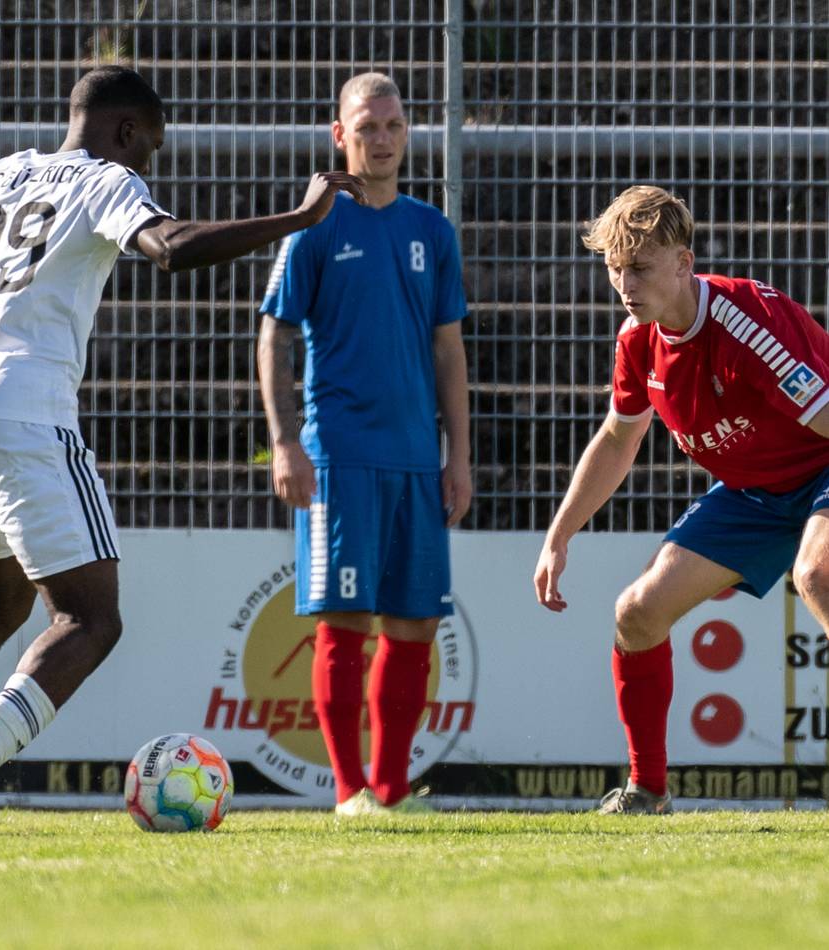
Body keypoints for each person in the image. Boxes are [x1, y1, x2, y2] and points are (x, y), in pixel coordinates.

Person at [0, 65, 366, 834]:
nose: (150, 168)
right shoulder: (106, 180)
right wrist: (299, 217)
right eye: (153, 150)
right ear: (127, 132)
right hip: (24, 411)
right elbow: (170, 247)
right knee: (91, 619)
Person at [534, 185, 829, 814]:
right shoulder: (638, 341)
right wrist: (560, 535)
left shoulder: (747, 323)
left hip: (823, 466)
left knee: (817, 575)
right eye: (615, 269)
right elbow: (617, 440)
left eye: (638, 267)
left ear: (683, 263)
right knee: (636, 614)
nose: (624, 284)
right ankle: (647, 792)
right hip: (754, 495)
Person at [257, 73, 471, 816]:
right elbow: (274, 335)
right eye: (367, 126)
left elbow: (449, 350)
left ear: (407, 133)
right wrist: (286, 443)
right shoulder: (315, 226)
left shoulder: (431, 230)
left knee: (416, 623)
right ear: (338, 134)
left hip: (417, 457)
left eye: (393, 125)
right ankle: (349, 791)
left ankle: (391, 788)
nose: (382, 139)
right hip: (340, 455)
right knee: (344, 622)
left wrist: (458, 457)